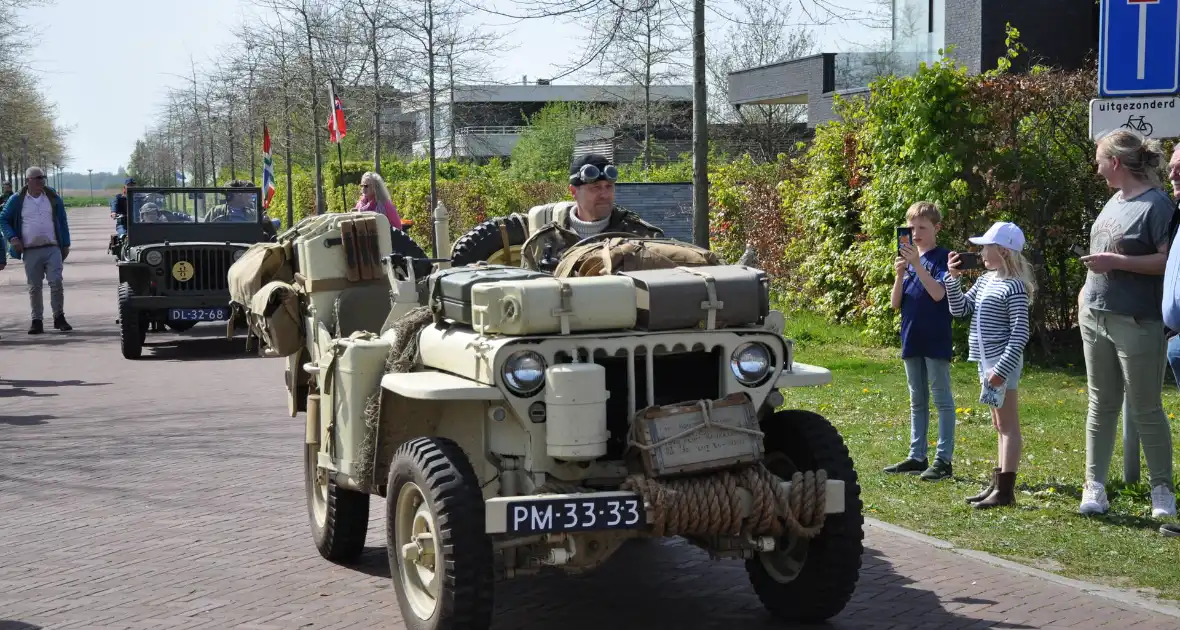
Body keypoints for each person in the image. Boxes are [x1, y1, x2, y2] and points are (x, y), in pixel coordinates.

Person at [1079, 129, 1174, 518]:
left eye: (1100, 159)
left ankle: (1162, 493)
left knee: (1145, 408)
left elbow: (1168, 262)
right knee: (1100, 404)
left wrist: (1116, 263)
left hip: (1137, 322)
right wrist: (1085, 294)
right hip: (1095, 316)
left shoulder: (1157, 205)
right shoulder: (1114, 201)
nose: (1097, 167)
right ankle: (1095, 487)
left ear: (1115, 162)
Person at [945, 221, 1033, 509]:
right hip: (986, 363)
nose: (981, 251)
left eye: (986, 246)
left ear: (1004, 252)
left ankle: (1006, 490)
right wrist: (952, 279)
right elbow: (960, 310)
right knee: (998, 423)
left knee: (1008, 425)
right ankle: (998, 484)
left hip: (1000, 364)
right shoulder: (985, 280)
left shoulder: (1014, 286)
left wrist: (1002, 369)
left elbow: (1020, 333)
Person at [883, 202, 956, 481]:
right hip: (911, 336)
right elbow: (895, 303)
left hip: (935, 337)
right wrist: (901, 273)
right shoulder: (909, 260)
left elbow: (939, 294)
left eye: (922, 228)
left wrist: (916, 264)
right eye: (911, 228)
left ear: (936, 228)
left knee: (941, 399)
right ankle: (917, 455)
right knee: (917, 399)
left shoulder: (943, 257)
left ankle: (943, 460)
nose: (915, 234)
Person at [520, 153, 663, 271]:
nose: (604, 194)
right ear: (573, 191)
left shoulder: (643, 236)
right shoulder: (542, 242)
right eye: (595, 187)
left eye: (609, 186)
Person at [0, 166, 73, 334]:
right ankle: (37, 320)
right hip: (31, 250)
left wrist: (66, 243)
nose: (42, 181)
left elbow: (62, 220)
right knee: (35, 286)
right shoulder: (17, 199)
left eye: (43, 177)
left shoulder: (52, 197)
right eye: (38, 178)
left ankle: (59, 317)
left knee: (56, 282)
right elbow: (3, 218)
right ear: (28, 181)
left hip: (52, 247)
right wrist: (13, 238)